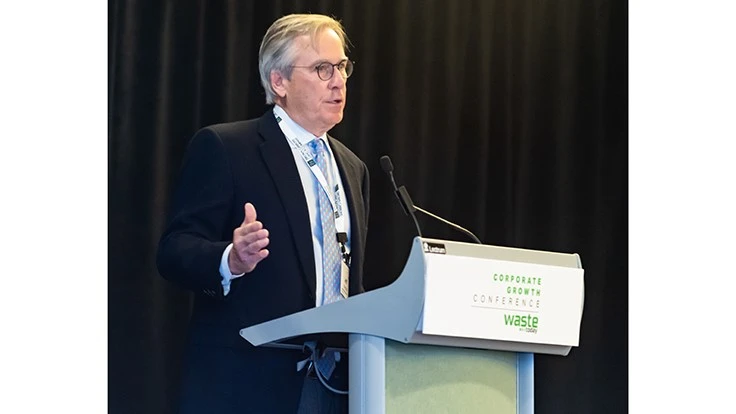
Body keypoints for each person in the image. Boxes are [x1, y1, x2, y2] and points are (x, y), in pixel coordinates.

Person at [156, 13, 370, 414]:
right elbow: (173, 250)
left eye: (342, 67)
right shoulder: (228, 148)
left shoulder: (352, 168)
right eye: (322, 69)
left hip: (337, 386)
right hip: (250, 386)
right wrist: (230, 259)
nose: (338, 81)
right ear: (279, 81)